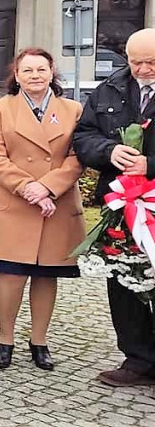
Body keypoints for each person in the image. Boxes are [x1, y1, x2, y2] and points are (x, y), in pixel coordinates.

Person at [0, 48, 84, 371]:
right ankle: (5, 339)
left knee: (46, 275)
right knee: (11, 273)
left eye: (41, 69)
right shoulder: (0, 108)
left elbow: (79, 156)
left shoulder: (73, 109)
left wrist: (49, 186)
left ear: (52, 72)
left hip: (57, 201)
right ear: (17, 75)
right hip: (14, 201)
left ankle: (40, 340)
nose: (35, 76)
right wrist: (30, 188)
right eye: (28, 70)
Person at [73, 28, 155, 387]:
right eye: (136, 62)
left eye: (151, 62)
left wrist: (150, 166)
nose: (142, 69)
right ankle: (137, 359)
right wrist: (109, 152)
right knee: (124, 279)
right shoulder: (110, 88)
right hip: (120, 205)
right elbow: (83, 136)